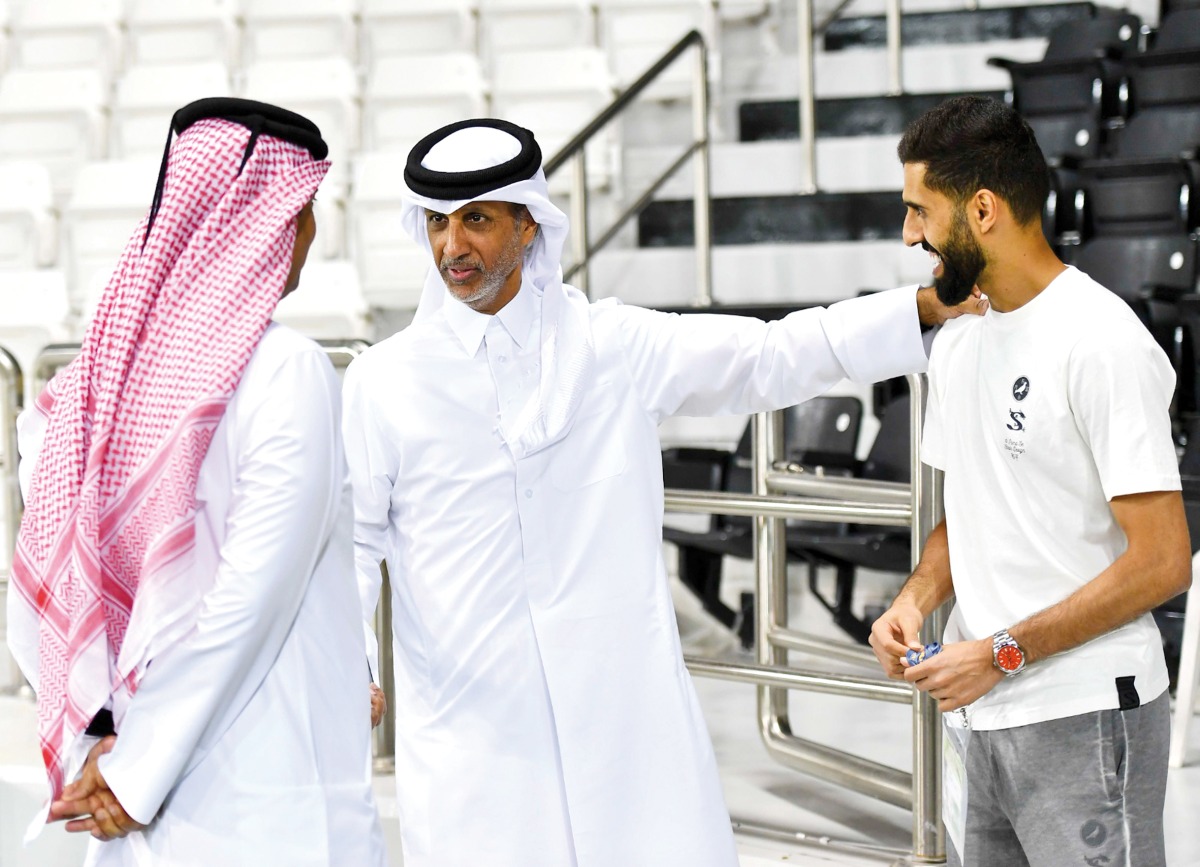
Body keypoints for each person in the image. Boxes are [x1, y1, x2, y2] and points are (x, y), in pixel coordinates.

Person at [343, 117, 980, 866]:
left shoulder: (609, 345)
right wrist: (357, 660)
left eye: (476, 219)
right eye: (437, 222)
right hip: (474, 728)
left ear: (528, 223)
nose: (452, 245)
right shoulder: (385, 382)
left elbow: (768, 356)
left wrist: (921, 309)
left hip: (622, 709)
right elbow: (354, 540)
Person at [7, 98, 386, 866]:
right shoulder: (287, 370)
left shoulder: (89, 382)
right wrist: (136, 773)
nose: (309, 235)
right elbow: (249, 598)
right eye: (303, 211)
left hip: (130, 794)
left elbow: (42, 598)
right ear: (269, 222)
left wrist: (102, 751)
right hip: (264, 800)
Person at [868, 95, 1191, 867]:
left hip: (1084, 717)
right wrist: (915, 599)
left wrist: (1003, 652)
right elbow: (970, 512)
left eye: (921, 210)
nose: (910, 233)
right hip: (982, 719)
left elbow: (1163, 560)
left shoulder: (1102, 341)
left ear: (982, 209)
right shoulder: (959, 343)